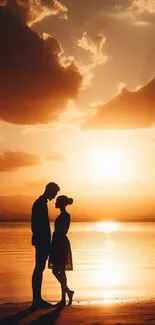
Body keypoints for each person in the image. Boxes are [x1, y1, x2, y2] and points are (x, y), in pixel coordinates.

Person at [31, 182, 60, 310]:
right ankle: (36, 299)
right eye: (54, 193)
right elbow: (37, 225)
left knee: (39, 268)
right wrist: (44, 242)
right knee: (39, 268)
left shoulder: (41, 203)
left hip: (42, 241)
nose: (54, 197)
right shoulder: (39, 204)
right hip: (41, 241)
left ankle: (37, 298)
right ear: (49, 191)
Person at [48, 195, 74, 308]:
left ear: (61, 203)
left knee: (61, 271)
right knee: (56, 271)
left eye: (57, 201)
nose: (55, 203)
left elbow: (63, 231)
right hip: (58, 243)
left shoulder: (65, 216)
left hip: (61, 244)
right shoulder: (63, 215)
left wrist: (55, 242)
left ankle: (64, 298)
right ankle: (67, 292)